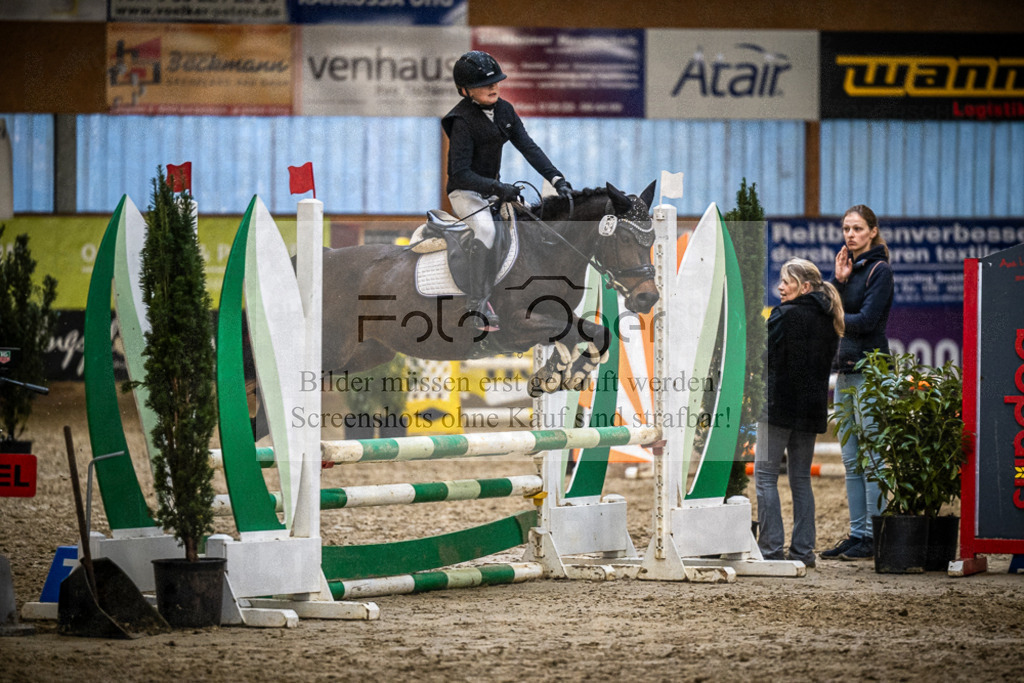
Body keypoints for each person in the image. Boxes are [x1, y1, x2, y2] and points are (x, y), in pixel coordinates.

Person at [442, 50, 572, 331]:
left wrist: (557, 178)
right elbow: (460, 174)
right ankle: (476, 305)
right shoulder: (461, 120)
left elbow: (529, 147)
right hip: (465, 193)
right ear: (465, 91)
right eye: (484, 85)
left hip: (492, 192)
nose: (493, 87)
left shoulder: (505, 111)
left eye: (496, 82)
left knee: (525, 228)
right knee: (486, 230)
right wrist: (498, 187)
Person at [756, 258, 844, 568]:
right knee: (801, 480)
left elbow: (763, 357)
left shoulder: (783, 315)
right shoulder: (829, 318)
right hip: (810, 410)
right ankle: (803, 552)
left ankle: (770, 550)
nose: (780, 287)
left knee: (765, 478)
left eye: (786, 282)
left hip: (777, 407)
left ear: (804, 287)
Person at [821, 204, 895, 561]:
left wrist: (835, 315)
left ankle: (876, 534)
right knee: (851, 460)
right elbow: (828, 308)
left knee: (873, 458)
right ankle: (858, 533)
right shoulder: (848, 270)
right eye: (846, 229)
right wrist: (838, 280)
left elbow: (865, 321)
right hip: (846, 371)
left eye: (857, 228)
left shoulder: (880, 271)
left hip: (872, 371)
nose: (850, 235)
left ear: (872, 231)